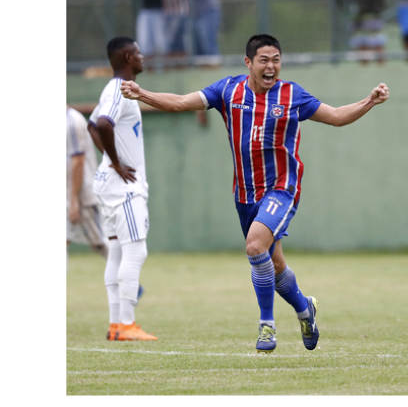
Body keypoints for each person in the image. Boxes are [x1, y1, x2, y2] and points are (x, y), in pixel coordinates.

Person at [117, 34, 390, 353]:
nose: (271, 66)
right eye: (264, 60)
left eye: (276, 59)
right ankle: (306, 310)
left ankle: (266, 326)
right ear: (249, 63)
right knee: (273, 267)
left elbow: (337, 117)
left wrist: (369, 100)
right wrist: (141, 94)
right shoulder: (228, 90)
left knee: (255, 245)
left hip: (282, 189)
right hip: (245, 195)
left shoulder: (292, 95)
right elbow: (179, 103)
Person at [88, 36, 157, 342]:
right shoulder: (119, 89)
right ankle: (126, 324)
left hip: (108, 185)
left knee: (116, 250)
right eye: (139, 53)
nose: (143, 57)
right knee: (135, 250)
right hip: (123, 188)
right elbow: (103, 124)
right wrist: (115, 162)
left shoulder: (109, 89)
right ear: (128, 57)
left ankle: (116, 325)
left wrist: (107, 158)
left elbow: (92, 125)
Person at [67, 106, 109, 268]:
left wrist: (74, 200)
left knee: (99, 242)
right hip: (67, 194)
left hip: (82, 195)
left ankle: (128, 280)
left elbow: (78, 163)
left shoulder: (72, 121)